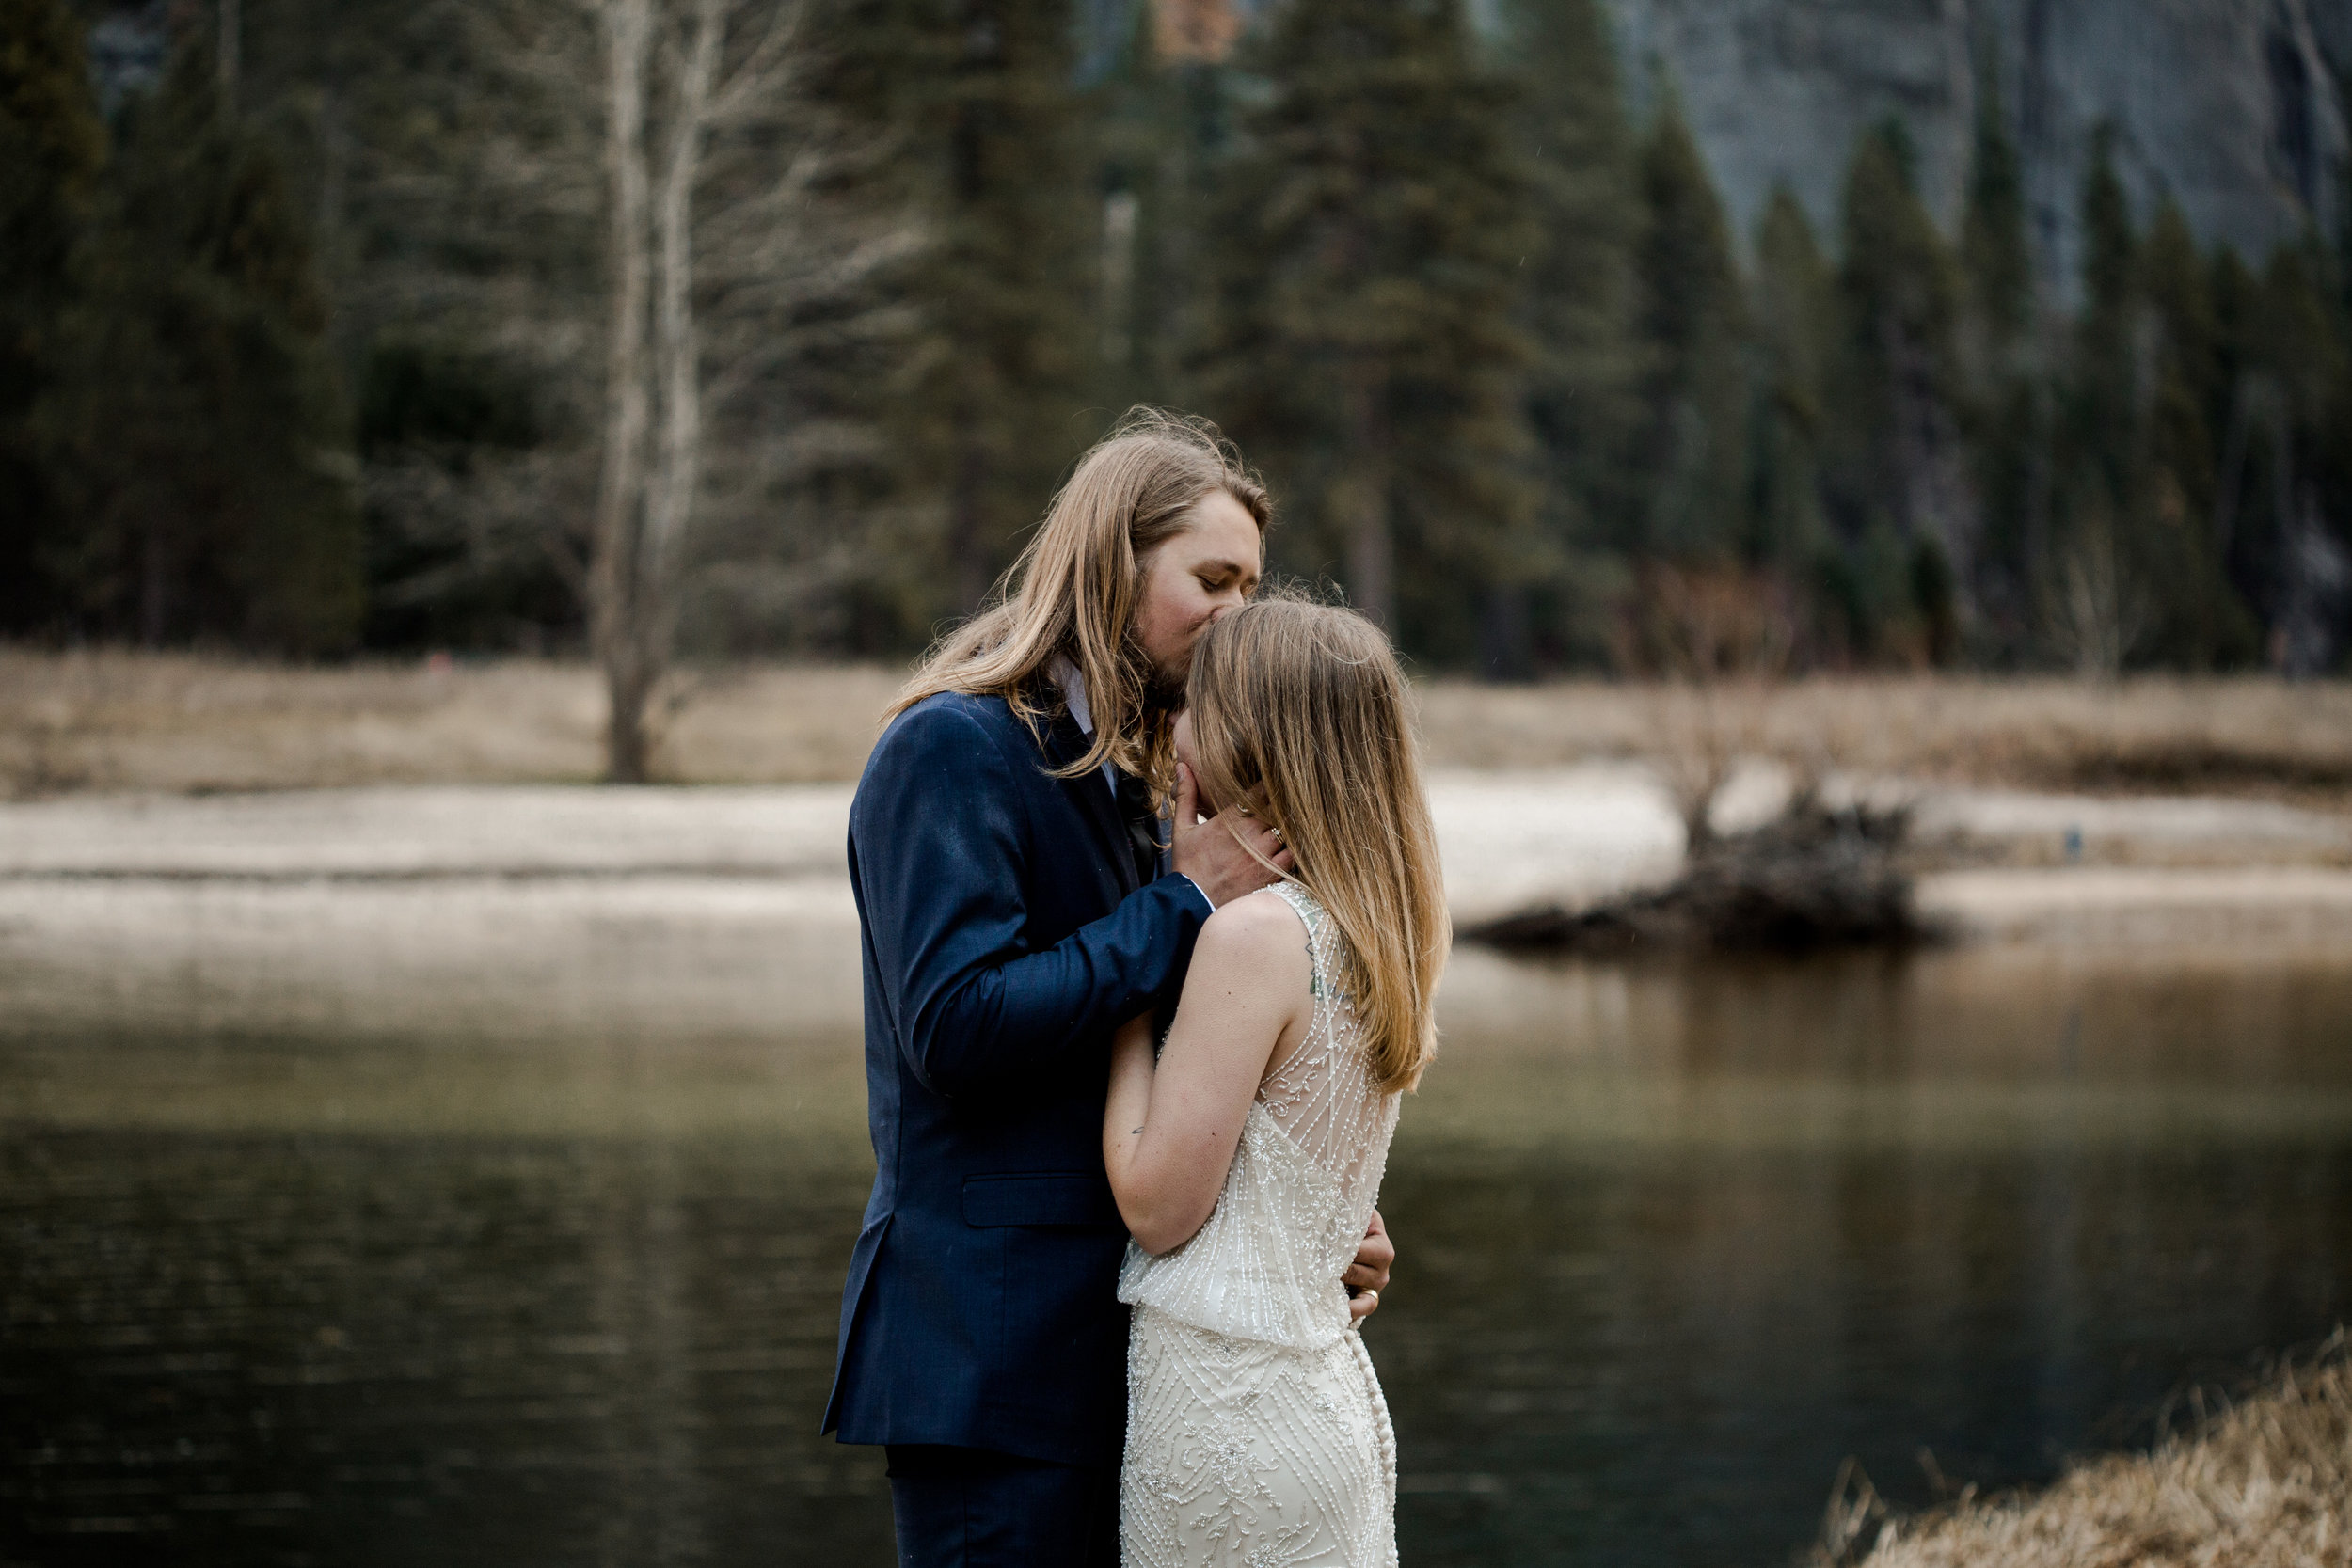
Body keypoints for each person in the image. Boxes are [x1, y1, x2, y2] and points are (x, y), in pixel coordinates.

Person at [824, 410, 1396, 1568]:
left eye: (1253, 582)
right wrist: (1180, 903)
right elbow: (955, 1023)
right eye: (1213, 579)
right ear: (1108, 565)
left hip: (1131, 1358)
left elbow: (1168, 1048)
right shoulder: (951, 747)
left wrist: (1298, 1221)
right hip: (991, 1362)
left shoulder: (1131, 776)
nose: (1241, 612)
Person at [1105, 596, 1449, 1568]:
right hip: (1316, 1397)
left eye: (1196, 704)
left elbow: (1154, 1202)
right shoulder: (1373, 927)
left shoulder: (1252, 937)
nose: (1174, 728)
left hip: (1232, 1422)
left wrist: (1132, 989)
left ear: (1254, 736)